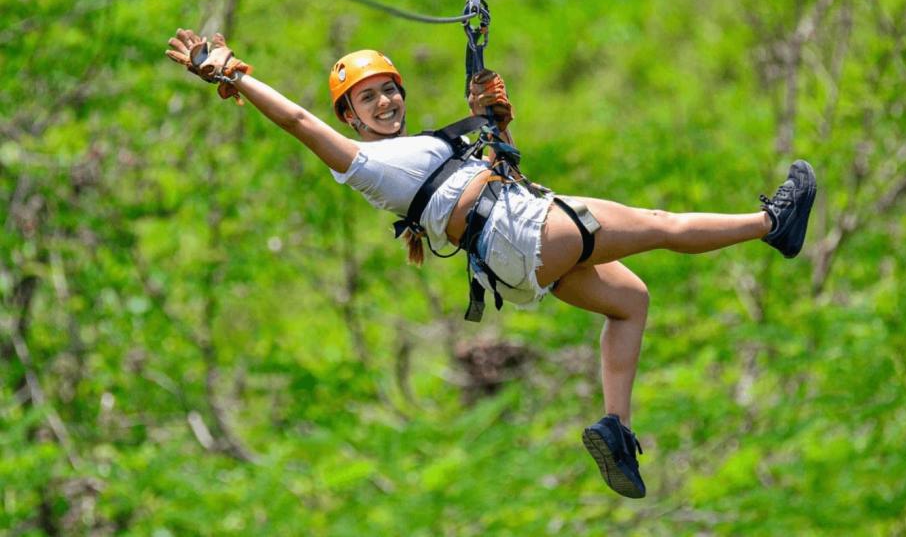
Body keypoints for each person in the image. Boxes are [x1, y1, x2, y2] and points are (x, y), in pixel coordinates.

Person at [165, 29, 817, 499]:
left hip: (512, 254)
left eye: (390, 91)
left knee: (631, 300)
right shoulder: (365, 165)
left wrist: (492, 116)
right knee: (663, 225)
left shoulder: (422, 151)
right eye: (369, 101)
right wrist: (233, 74)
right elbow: (300, 121)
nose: (386, 102)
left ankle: (616, 428)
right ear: (351, 120)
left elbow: (496, 168)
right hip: (523, 231)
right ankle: (772, 224)